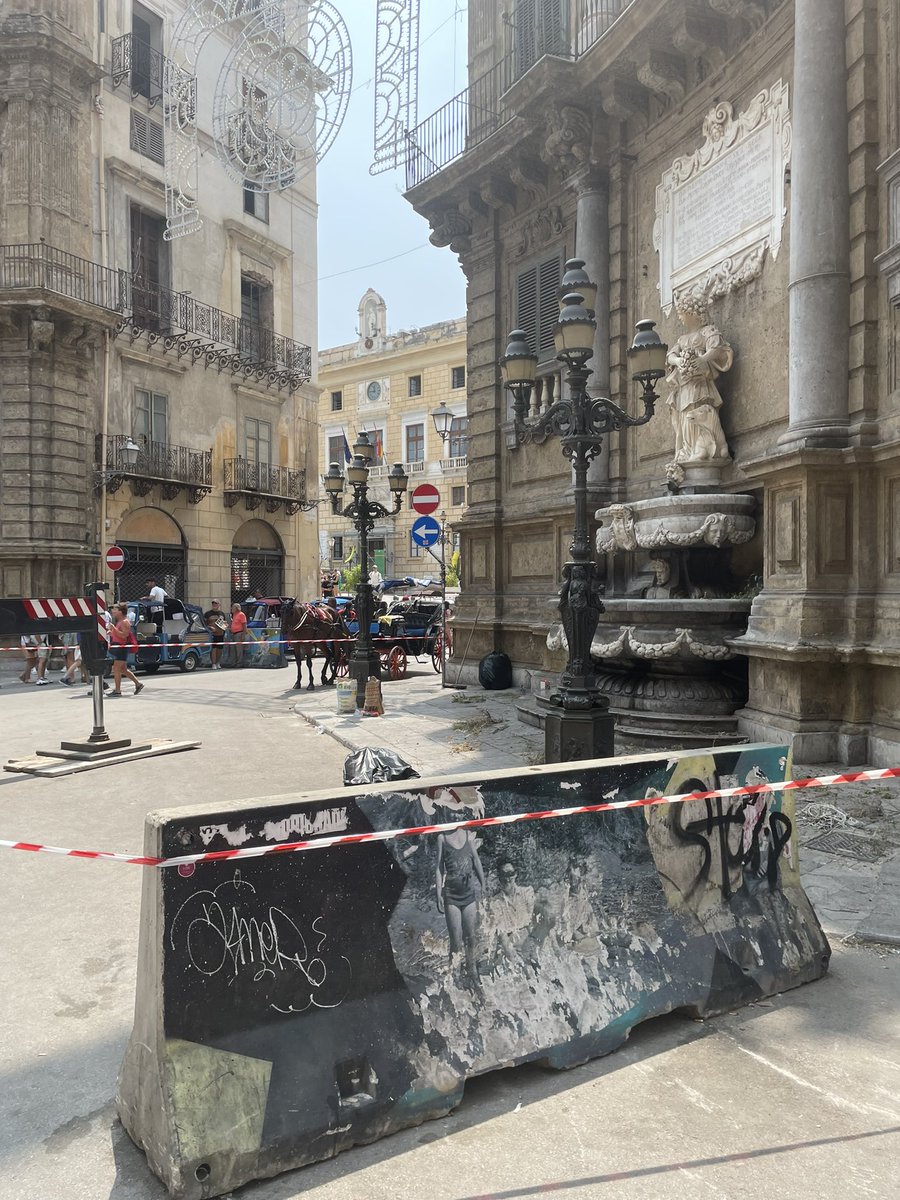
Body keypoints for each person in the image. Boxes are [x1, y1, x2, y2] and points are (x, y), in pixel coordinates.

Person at [665, 295, 733, 464]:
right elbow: (670, 356)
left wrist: (702, 359)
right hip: (684, 386)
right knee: (683, 418)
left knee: (696, 412)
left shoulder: (707, 331)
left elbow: (717, 347)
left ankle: (701, 448)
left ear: (693, 313)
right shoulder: (682, 339)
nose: (680, 318)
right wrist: (679, 361)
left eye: (682, 314)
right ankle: (687, 450)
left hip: (699, 384)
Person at [435, 824, 485, 991]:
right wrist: (438, 894)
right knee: (456, 939)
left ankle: (472, 971)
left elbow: (476, 860)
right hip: (451, 895)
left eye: (457, 813)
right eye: (450, 813)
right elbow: (439, 868)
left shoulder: (467, 835)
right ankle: (455, 975)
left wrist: (483, 884)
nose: (454, 817)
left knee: (471, 937)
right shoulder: (442, 838)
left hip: (469, 894)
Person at [107, 604, 144, 696]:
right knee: (123, 669)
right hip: (119, 646)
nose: (113, 611)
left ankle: (118, 690)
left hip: (122, 647)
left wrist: (113, 628)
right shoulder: (120, 621)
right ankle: (138, 684)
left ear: (120, 611)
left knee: (116, 668)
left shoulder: (124, 622)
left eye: (115, 609)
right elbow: (118, 635)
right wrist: (112, 633)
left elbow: (124, 635)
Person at [203, 599, 227, 670]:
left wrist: (225, 626)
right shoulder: (208, 614)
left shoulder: (222, 614)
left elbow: (224, 623)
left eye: (216, 603)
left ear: (219, 604)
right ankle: (213, 663)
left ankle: (218, 662)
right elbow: (204, 624)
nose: (214, 605)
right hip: (212, 634)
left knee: (220, 649)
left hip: (220, 634)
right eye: (213, 603)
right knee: (213, 649)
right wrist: (209, 627)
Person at [228, 601, 248, 668]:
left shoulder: (241, 614)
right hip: (234, 634)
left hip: (239, 634)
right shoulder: (234, 615)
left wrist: (243, 635)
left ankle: (239, 663)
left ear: (236, 608)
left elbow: (244, 625)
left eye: (232, 608)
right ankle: (233, 663)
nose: (231, 609)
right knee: (233, 649)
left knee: (239, 650)